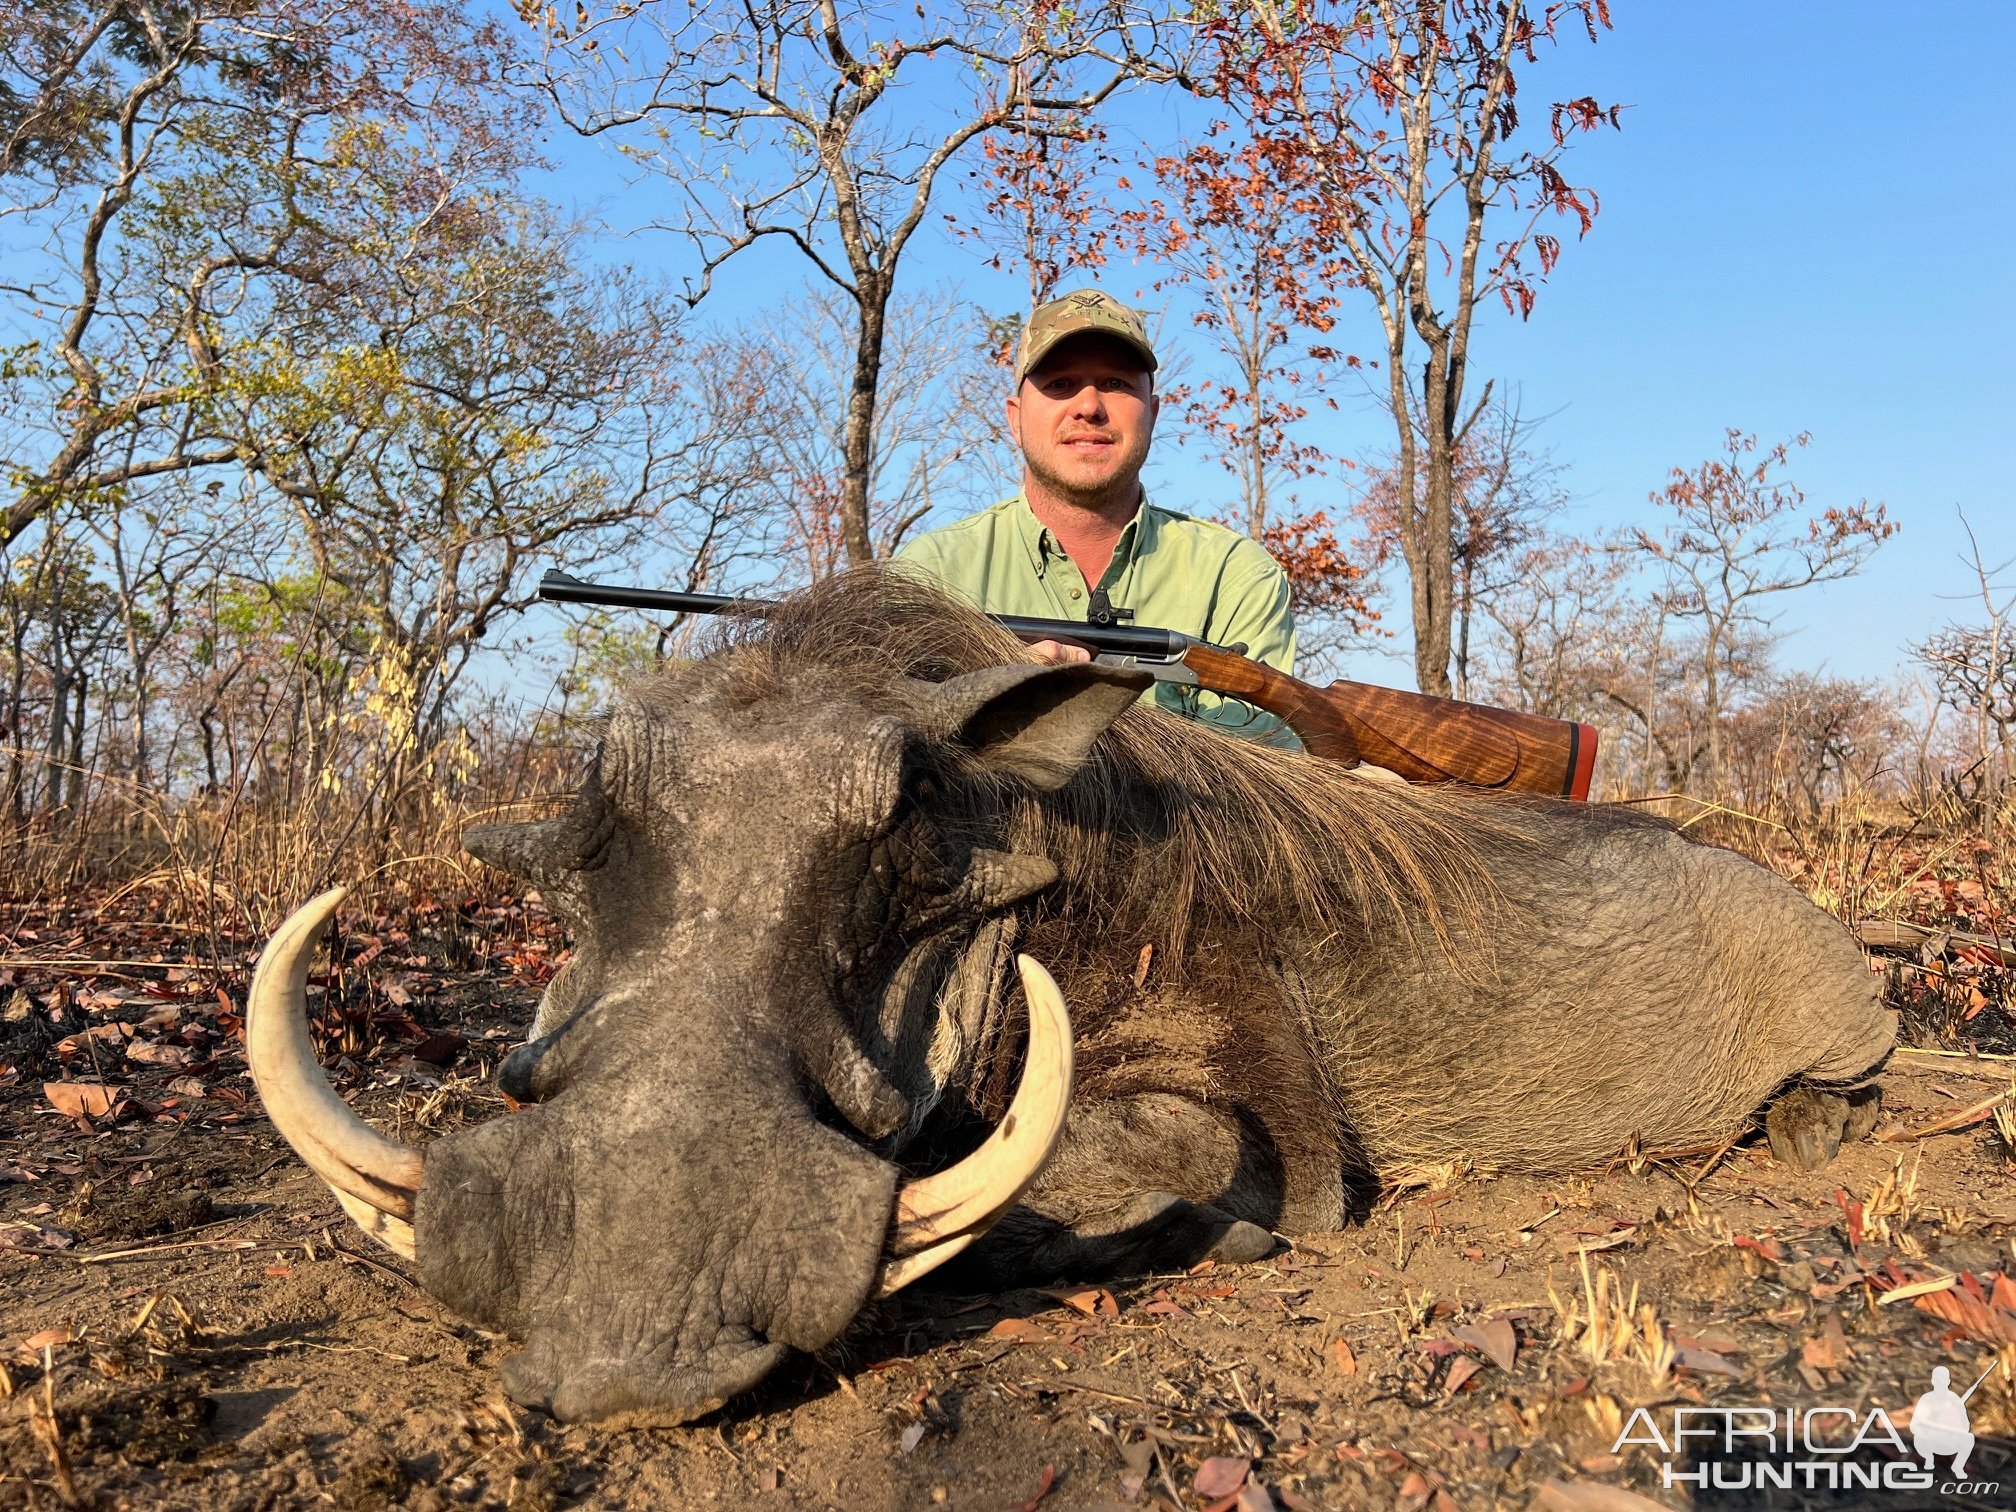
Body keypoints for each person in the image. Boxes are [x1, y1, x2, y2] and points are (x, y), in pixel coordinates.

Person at [894, 288, 1297, 744]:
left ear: (1153, 413)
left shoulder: (1237, 576)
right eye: (1060, 384)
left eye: (1116, 384)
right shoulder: (927, 574)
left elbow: (1269, 781)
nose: (1089, 406)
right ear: (1015, 419)